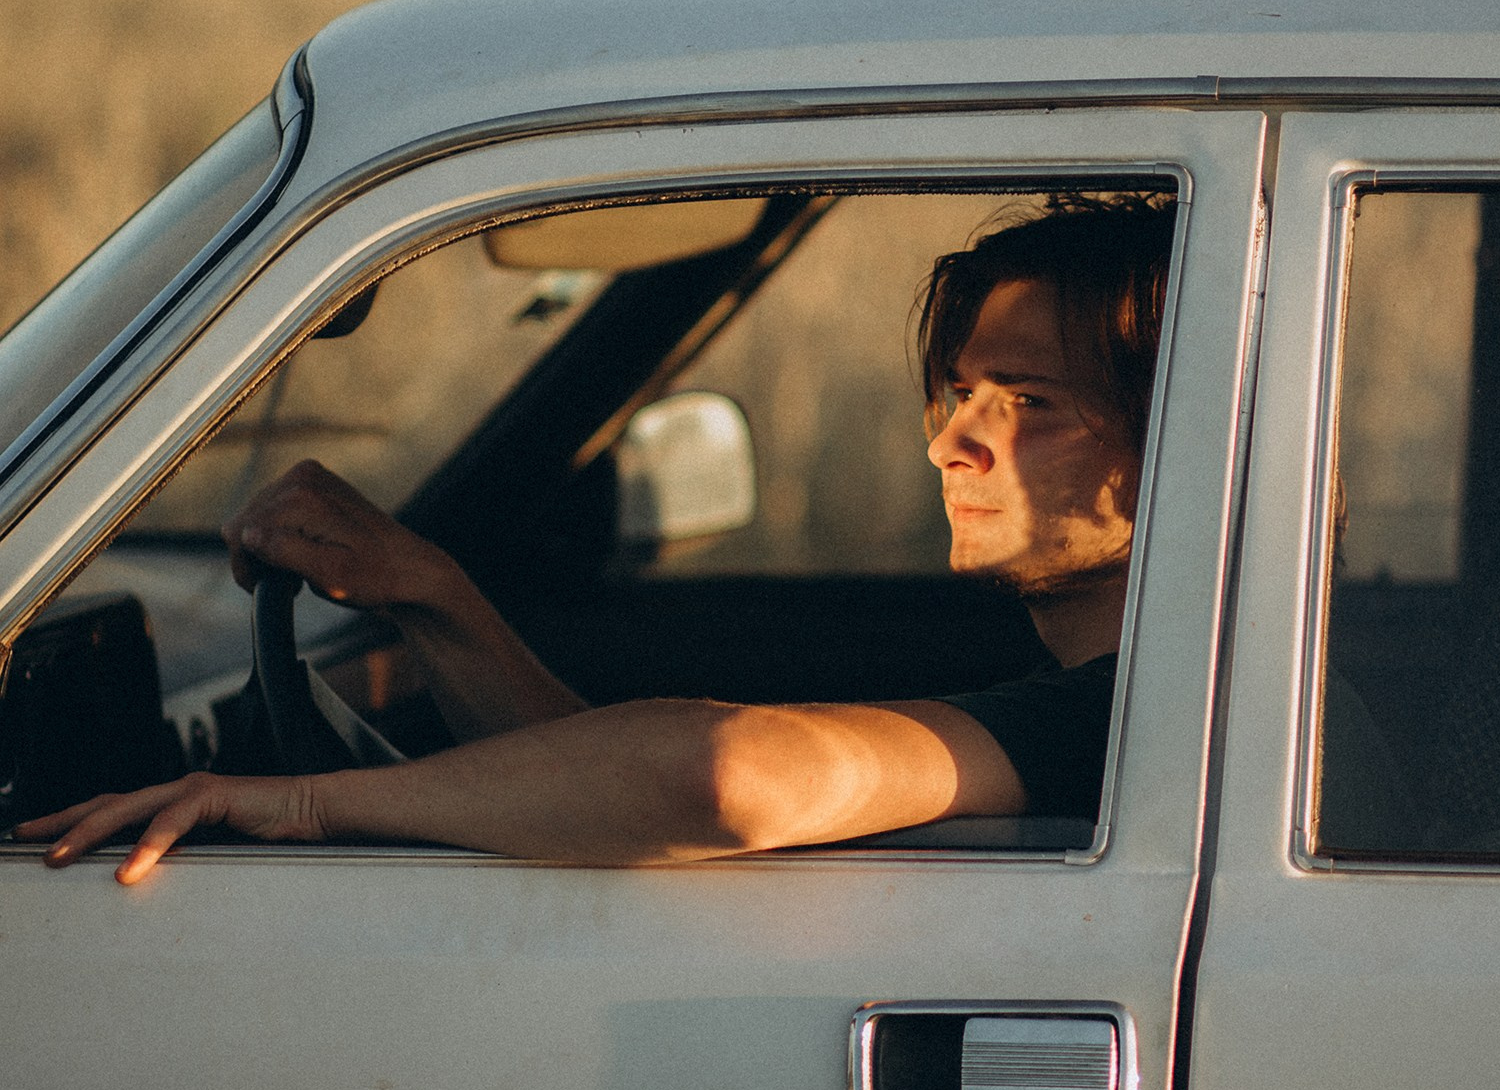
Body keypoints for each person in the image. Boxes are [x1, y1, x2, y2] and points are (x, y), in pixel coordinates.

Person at [16, 194, 1175, 884]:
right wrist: (433, 594)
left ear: (1178, 438)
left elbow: (717, 776)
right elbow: (598, 783)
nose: (945, 446)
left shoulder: (1123, 716)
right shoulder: (1133, 701)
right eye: (957, 391)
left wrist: (306, 805)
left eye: (1031, 403)